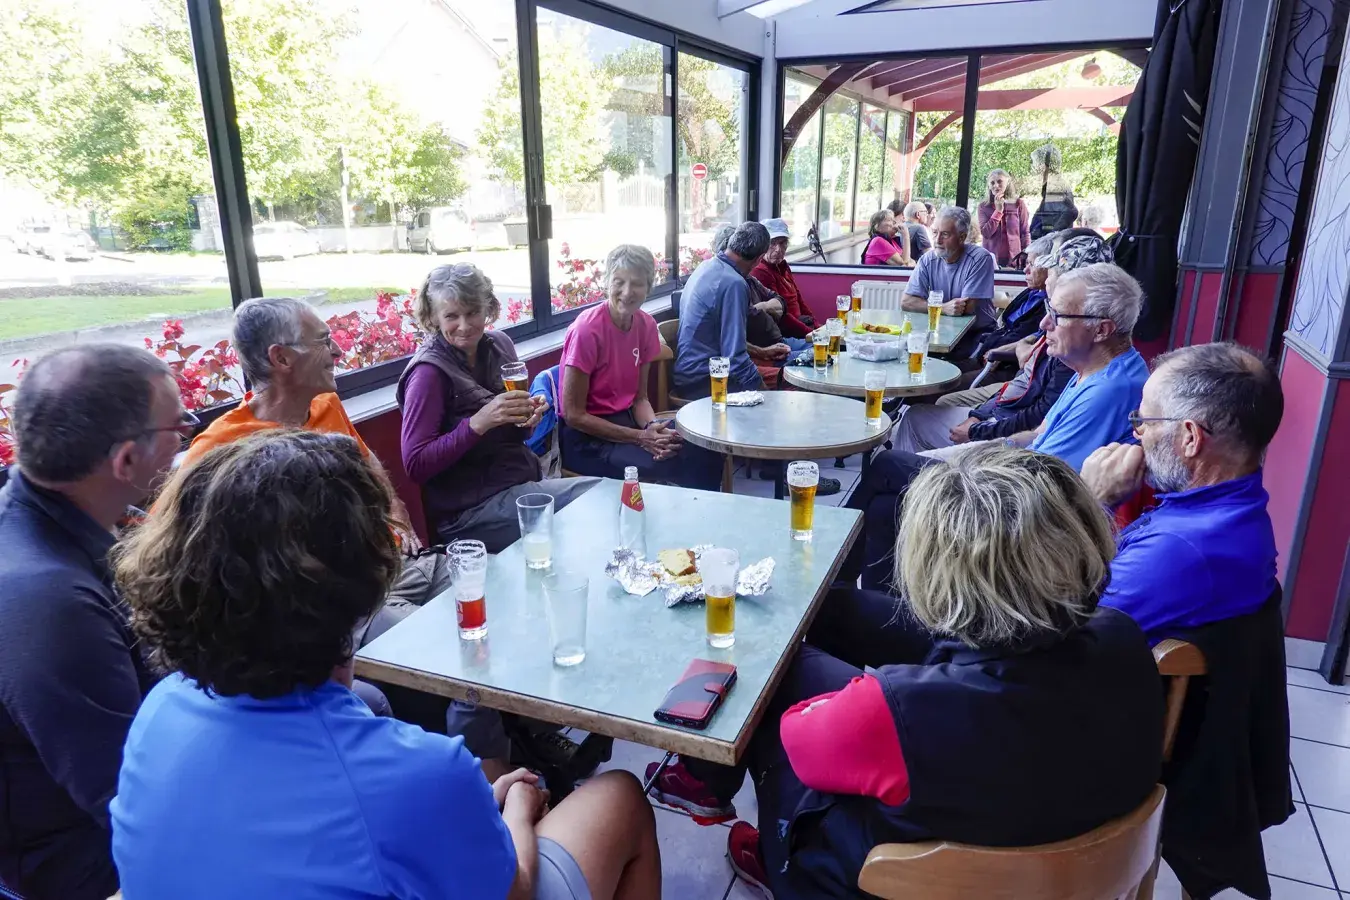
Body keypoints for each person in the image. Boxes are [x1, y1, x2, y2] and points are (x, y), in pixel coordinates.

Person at [109, 429, 663, 900]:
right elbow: (512, 888)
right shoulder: (422, 772)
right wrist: (516, 809)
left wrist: (462, 811)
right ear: (367, 578)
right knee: (620, 797)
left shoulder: (158, 713)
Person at [647, 445, 1163, 898]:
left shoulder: (896, 711)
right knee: (834, 610)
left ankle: (762, 843)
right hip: (1057, 837)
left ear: (939, 574)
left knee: (776, 677)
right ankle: (705, 779)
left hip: (888, 880)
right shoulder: (1123, 637)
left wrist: (868, 698)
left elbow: (799, 740)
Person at [0, 344, 187, 900]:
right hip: (87, 865)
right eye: (180, 426)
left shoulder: (47, 526)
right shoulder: (51, 602)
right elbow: (131, 801)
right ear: (126, 461)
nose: (187, 440)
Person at [845, 259, 1147, 589]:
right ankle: (872, 601)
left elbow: (1044, 478)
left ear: (1101, 330)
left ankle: (834, 579)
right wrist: (981, 446)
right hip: (1019, 480)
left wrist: (971, 464)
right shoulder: (1092, 370)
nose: (1044, 323)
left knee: (887, 466)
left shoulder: (1110, 390)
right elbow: (1039, 434)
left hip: (1022, 509)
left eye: (1058, 315)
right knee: (886, 506)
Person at [181, 296, 449, 644]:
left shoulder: (326, 404)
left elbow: (366, 461)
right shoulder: (220, 447)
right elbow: (183, 552)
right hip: (342, 605)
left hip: (397, 565)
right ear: (281, 358)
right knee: (444, 637)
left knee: (490, 581)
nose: (337, 351)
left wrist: (397, 511)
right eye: (323, 341)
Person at [1082, 342, 1284, 641]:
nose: (1137, 433)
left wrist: (1091, 502)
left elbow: (1055, 628)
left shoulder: (1178, 548)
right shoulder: (1234, 511)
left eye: (1144, 421)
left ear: (1190, 437)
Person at [399, 263, 599, 553]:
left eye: (473, 313)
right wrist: (478, 423)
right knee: (597, 498)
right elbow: (415, 464)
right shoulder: (428, 374)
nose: (464, 325)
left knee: (599, 499)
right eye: (452, 316)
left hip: (518, 483)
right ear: (433, 317)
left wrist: (528, 416)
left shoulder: (500, 345)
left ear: (488, 309)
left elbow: (517, 434)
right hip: (467, 513)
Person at [558, 244, 721, 489]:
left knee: (705, 443)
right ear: (606, 283)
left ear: (648, 287)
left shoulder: (646, 325)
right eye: (619, 282)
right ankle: (690, 511)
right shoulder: (586, 331)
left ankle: (701, 510)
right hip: (587, 440)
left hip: (628, 425)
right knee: (682, 460)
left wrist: (652, 428)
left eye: (637, 283)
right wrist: (640, 437)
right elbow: (574, 415)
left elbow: (639, 399)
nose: (627, 292)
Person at [890, 232, 1066, 455]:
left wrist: (977, 426)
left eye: (1032, 264)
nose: (1025, 269)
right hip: (991, 361)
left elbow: (1034, 409)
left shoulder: (1064, 352)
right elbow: (1029, 339)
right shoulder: (1034, 298)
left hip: (1000, 366)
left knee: (940, 390)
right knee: (937, 373)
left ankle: (923, 451)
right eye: (935, 233)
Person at [674, 222, 769, 399]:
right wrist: (768, 397)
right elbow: (736, 360)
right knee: (783, 382)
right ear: (760, 258)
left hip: (688, 376)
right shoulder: (734, 283)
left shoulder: (706, 266)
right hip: (705, 381)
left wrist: (761, 352)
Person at [901, 206, 997, 356]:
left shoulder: (980, 258)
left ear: (962, 237)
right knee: (905, 352)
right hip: (941, 330)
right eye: (935, 232)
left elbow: (965, 308)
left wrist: (928, 306)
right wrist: (943, 308)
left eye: (945, 234)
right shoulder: (927, 260)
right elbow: (907, 302)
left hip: (977, 335)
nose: (937, 240)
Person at [750, 218, 814, 339]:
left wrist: (817, 326)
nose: (778, 249)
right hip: (784, 333)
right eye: (772, 243)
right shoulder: (760, 271)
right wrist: (810, 334)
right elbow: (781, 315)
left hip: (801, 324)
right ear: (762, 245)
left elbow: (799, 300)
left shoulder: (782, 266)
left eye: (782, 243)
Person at [977, 169, 1031, 268]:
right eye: (992, 183)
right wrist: (998, 211)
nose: (996, 185)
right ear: (988, 185)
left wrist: (1026, 256)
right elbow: (986, 233)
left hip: (1014, 260)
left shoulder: (1018, 204)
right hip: (991, 261)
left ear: (1007, 182)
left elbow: (1025, 233)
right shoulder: (983, 206)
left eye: (999, 181)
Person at [1029, 143, 1079, 240]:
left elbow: (1071, 212)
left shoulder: (1056, 186)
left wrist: (1051, 235)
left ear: (1045, 166)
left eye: (1036, 163)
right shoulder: (1052, 185)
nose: (1035, 167)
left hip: (1055, 243)